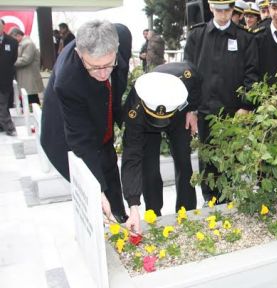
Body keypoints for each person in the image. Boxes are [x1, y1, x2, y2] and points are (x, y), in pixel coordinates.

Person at [40, 21, 132, 223]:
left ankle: (119, 215)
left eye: (108, 65)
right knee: (95, 181)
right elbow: (83, 142)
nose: (103, 73)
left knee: (109, 161)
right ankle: (102, 220)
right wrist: (96, 190)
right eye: (95, 67)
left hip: (100, 111)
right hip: (64, 133)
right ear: (80, 55)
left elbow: (115, 80)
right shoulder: (68, 81)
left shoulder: (122, 37)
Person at [184, 0, 258, 203]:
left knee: (231, 159)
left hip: (233, 112)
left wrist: (246, 105)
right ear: (210, 8)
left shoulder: (245, 38)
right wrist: (190, 109)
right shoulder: (197, 36)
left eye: (227, 10)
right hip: (205, 110)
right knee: (207, 160)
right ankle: (211, 201)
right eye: (218, 10)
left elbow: (252, 74)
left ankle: (229, 200)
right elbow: (187, 74)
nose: (223, 14)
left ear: (233, 10)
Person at [122, 62, 201, 234]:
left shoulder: (186, 75)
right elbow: (131, 157)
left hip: (178, 115)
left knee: (183, 161)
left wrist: (192, 110)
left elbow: (197, 86)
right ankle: (153, 213)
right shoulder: (134, 109)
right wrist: (133, 204)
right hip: (145, 124)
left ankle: (186, 211)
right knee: (149, 169)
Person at [8, 27, 44, 106]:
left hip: (29, 77)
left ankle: (36, 116)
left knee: (31, 100)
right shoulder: (22, 44)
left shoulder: (28, 44)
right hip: (24, 77)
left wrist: (9, 61)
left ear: (17, 35)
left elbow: (26, 59)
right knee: (27, 99)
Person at [0, 19, 18, 136]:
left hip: (5, 78)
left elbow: (13, 59)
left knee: (3, 103)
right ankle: (8, 127)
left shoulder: (12, 42)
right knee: (2, 104)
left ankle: (5, 126)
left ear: (3, 27)